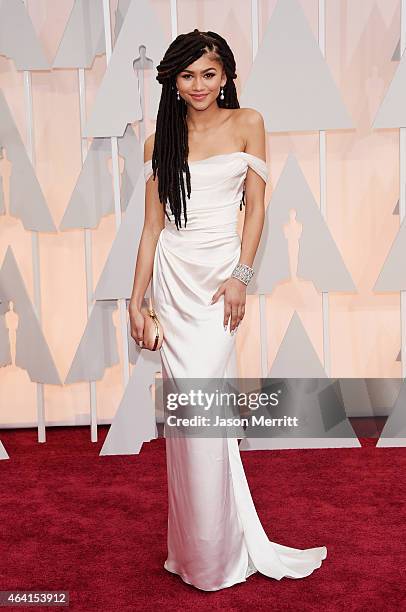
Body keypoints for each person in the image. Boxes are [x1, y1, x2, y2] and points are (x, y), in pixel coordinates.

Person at [129, 29, 327, 591]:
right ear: (172, 79)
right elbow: (151, 228)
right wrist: (136, 298)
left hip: (219, 284)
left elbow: (258, 212)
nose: (198, 86)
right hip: (173, 279)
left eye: (209, 74)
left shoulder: (248, 123)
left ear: (226, 75)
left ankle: (216, 555)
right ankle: (195, 550)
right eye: (187, 75)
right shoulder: (158, 141)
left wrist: (241, 276)